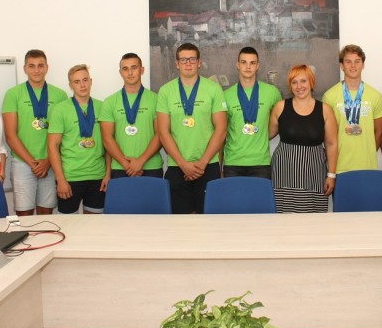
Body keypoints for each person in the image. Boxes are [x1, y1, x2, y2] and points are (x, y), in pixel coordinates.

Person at [156, 43, 227, 214]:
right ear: (177, 63)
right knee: (180, 223)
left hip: (208, 165)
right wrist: (183, 164)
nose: (188, 63)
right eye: (183, 59)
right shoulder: (165, 91)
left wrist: (202, 163)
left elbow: (221, 129)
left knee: (209, 220)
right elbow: (163, 132)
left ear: (199, 62)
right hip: (177, 166)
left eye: (192, 59)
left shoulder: (214, 89)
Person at [2, 49, 67, 216]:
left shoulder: (60, 95)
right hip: (23, 163)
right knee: (24, 214)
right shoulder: (13, 94)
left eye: (40, 66)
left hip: (50, 163)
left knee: (46, 212)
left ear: (47, 67)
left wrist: (48, 161)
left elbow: (65, 134)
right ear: (25, 69)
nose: (36, 70)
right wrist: (33, 163)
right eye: (31, 66)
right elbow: (10, 135)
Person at [269, 65, 338, 213]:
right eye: (294, 82)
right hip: (284, 173)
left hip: (314, 174)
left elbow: (332, 144)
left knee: (313, 221)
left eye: (303, 81)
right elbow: (267, 135)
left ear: (311, 82)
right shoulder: (280, 107)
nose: (299, 86)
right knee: (283, 218)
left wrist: (331, 175)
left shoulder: (325, 110)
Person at [47, 65, 109, 214]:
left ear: (91, 81)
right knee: (68, 224)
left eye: (85, 80)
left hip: (98, 176)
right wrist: (60, 180)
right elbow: (52, 146)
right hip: (70, 177)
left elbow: (108, 143)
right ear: (70, 85)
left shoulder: (103, 107)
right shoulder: (60, 109)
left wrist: (108, 174)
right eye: (76, 82)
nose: (82, 85)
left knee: (94, 224)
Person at [322, 44, 382, 173]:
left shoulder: (376, 96)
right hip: (339, 166)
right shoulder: (329, 96)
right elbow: (326, 136)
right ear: (341, 65)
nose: (353, 65)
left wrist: (368, 153)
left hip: (368, 166)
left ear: (363, 64)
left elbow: (379, 132)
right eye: (348, 62)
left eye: (357, 61)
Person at [99, 53, 163, 178]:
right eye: (125, 69)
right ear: (120, 73)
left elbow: (160, 134)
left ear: (142, 70)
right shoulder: (110, 102)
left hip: (151, 167)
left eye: (134, 67)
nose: (130, 73)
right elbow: (107, 138)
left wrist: (140, 161)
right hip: (120, 168)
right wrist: (126, 164)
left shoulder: (156, 99)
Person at [223, 47, 282, 178]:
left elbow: (280, 121)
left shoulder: (272, 92)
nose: (248, 67)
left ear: (258, 66)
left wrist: (262, 135)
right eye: (244, 62)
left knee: (260, 193)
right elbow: (222, 130)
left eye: (252, 63)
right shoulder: (226, 95)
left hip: (261, 162)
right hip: (233, 162)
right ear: (237, 65)